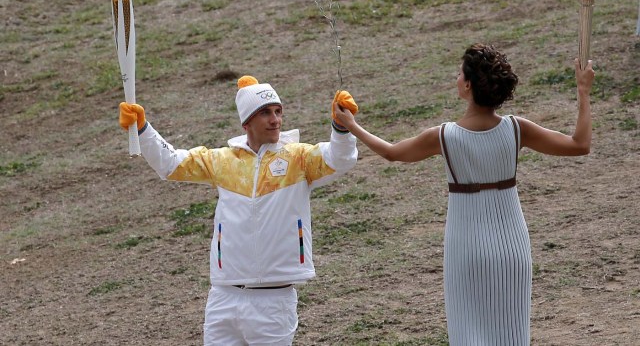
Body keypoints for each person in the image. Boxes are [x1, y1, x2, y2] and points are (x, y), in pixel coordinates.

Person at [333, 43, 595, 345]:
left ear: (469, 85)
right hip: (512, 247)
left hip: (465, 247)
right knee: (511, 334)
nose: (456, 78)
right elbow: (580, 144)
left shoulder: (444, 136)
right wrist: (583, 91)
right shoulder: (516, 129)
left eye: (460, 74)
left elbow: (393, 153)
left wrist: (352, 125)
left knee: (467, 335)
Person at [118, 76, 359, 345]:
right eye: (265, 113)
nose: (275, 120)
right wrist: (143, 129)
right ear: (247, 122)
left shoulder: (299, 159)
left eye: (278, 112)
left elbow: (341, 159)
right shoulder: (222, 161)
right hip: (224, 296)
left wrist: (341, 128)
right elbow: (171, 164)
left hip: (273, 300)